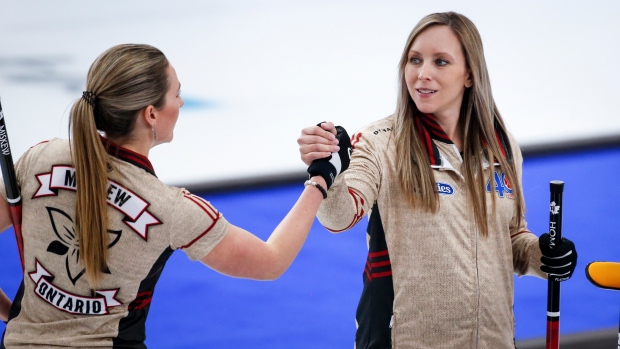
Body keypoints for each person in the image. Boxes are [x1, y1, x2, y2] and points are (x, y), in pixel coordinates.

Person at [0, 43, 349, 348]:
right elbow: (270, 262)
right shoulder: (171, 209)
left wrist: (12, 312)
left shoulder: (39, 159)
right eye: (176, 93)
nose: (180, 102)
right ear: (151, 114)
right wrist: (321, 178)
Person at [298, 11, 578, 349]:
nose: (422, 74)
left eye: (440, 62)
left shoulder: (502, 148)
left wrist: (543, 256)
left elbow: (512, 240)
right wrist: (328, 172)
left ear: (470, 75)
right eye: (414, 60)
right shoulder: (382, 142)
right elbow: (338, 218)